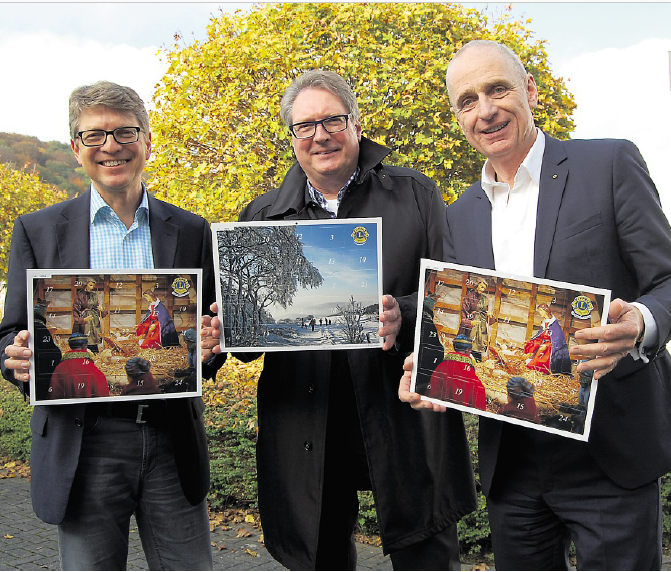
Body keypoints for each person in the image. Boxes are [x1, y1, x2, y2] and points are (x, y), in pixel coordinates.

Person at [399, 40, 671, 570]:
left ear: (530, 91)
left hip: (610, 453)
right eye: (467, 100)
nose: (486, 110)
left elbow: (667, 280)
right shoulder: (461, 215)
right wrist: (430, 370)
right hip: (513, 462)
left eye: (498, 89)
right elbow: (466, 332)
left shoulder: (610, 163)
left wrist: (640, 321)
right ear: (458, 117)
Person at [202, 70, 476, 571]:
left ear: (354, 124)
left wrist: (405, 314)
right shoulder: (262, 216)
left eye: (332, 120)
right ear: (292, 138)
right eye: (304, 126)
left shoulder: (416, 194)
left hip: (403, 413)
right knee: (320, 551)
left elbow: (458, 297)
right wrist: (226, 331)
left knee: (427, 550)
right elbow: (244, 347)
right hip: (307, 420)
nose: (320, 135)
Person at [0, 81, 218, 570]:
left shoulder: (191, 230)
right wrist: (13, 358)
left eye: (125, 132)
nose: (112, 147)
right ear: (76, 147)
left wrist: (211, 345)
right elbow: (10, 332)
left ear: (146, 141)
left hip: (170, 441)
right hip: (83, 445)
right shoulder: (36, 231)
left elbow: (210, 331)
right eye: (95, 135)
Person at [427, 334, 486, 410]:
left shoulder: (442, 365)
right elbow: (479, 390)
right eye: (470, 350)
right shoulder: (467, 370)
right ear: (467, 350)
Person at [49, 332, 109, 399]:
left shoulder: (59, 368)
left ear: (70, 346)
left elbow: (54, 394)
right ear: (84, 345)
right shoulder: (93, 370)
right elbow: (102, 396)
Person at [524, 303, 571, 375]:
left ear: (545, 311)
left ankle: (543, 369)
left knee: (542, 350)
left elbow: (556, 338)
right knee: (532, 344)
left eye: (540, 311)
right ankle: (532, 361)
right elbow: (540, 334)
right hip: (544, 341)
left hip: (550, 344)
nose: (540, 313)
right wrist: (532, 341)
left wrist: (547, 345)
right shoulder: (545, 321)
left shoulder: (554, 324)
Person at [72, 277, 107, 353]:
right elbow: (75, 311)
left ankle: (94, 354)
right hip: (85, 320)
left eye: (93, 286)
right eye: (90, 285)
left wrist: (101, 310)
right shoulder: (79, 296)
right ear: (85, 285)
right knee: (86, 338)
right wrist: (83, 320)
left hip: (94, 320)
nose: (92, 287)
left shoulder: (94, 296)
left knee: (94, 339)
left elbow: (98, 311)